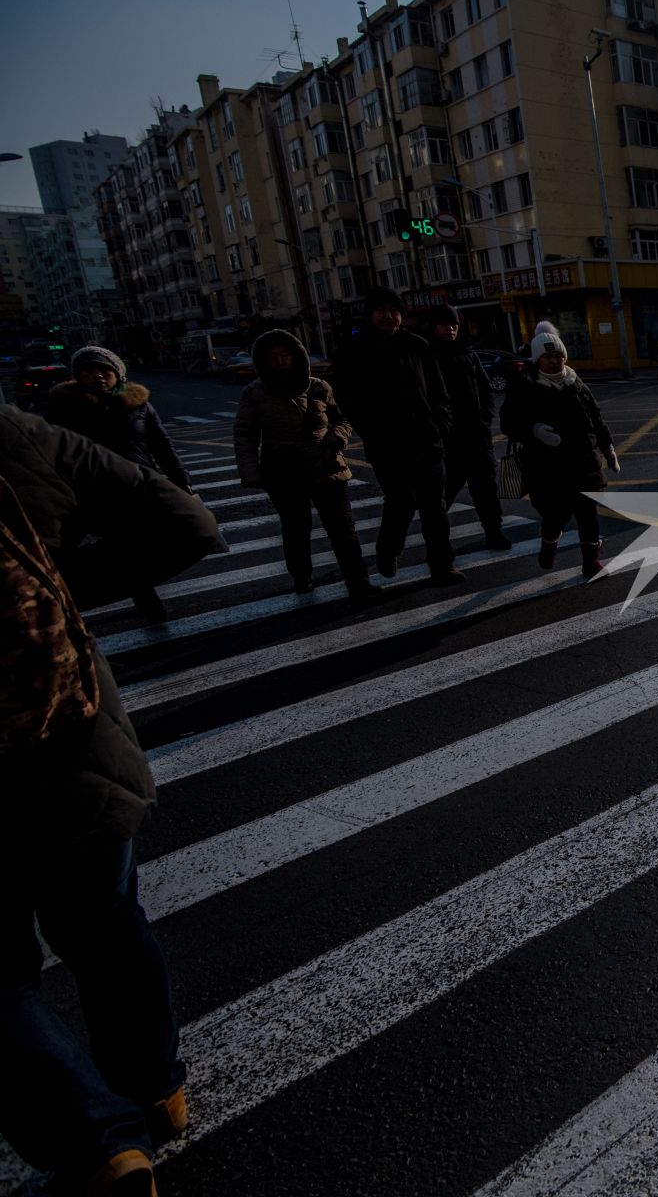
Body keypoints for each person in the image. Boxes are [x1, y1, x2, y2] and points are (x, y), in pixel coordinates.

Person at [1, 406, 222, 1197]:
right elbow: (188, 524)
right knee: (106, 927)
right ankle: (158, 1093)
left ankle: (99, 1146)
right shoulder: (24, 435)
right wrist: (62, 585)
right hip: (67, 738)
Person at [44, 345, 195, 622]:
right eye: (89, 371)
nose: (98, 376)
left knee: (135, 547)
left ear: (118, 373)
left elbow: (162, 445)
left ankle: (146, 602)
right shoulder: (64, 407)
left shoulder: (138, 404)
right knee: (71, 549)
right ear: (78, 376)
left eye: (105, 370)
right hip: (89, 492)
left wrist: (181, 481)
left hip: (137, 487)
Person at [232, 330, 379, 602]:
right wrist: (251, 473)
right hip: (283, 470)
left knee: (343, 529)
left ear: (296, 356)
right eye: (273, 357)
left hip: (326, 464)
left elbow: (343, 418)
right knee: (296, 529)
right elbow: (245, 435)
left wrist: (339, 436)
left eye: (285, 355)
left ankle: (359, 582)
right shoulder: (255, 393)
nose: (280, 362)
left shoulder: (318, 386)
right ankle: (302, 577)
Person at [330, 286, 463, 585]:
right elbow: (347, 399)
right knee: (401, 502)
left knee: (435, 508)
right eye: (382, 311)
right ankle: (388, 549)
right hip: (387, 445)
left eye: (394, 311)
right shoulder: (354, 349)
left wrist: (439, 423)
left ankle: (442, 566)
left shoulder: (418, 345)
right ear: (370, 314)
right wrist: (372, 431)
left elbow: (439, 391)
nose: (389, 316)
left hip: (428, 440)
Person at [500, 321, 618, 577]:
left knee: (588, 513)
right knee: (555, 516)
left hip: (583, 461)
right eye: (547, 356)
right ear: (537, 359)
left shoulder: (576, 383)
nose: (554, 361)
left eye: (558, 356)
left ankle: (591, 562)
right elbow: (509, 422)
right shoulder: (525, 385)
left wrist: (608, 447)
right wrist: (534, 430)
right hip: (546, 467)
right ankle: (549, 544)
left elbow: (596, 417)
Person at [421, 305, 512, 552]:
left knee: (487, 491)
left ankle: (494, 532)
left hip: (477, 438)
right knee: (442, 495)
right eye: (443, 324)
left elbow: (486, 391)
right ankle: (438, 545)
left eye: (453, 325)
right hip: (446, 441)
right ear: (433, 326)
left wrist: (484, 422)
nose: (449, 329)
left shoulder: (469, 355)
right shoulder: (426, 356)